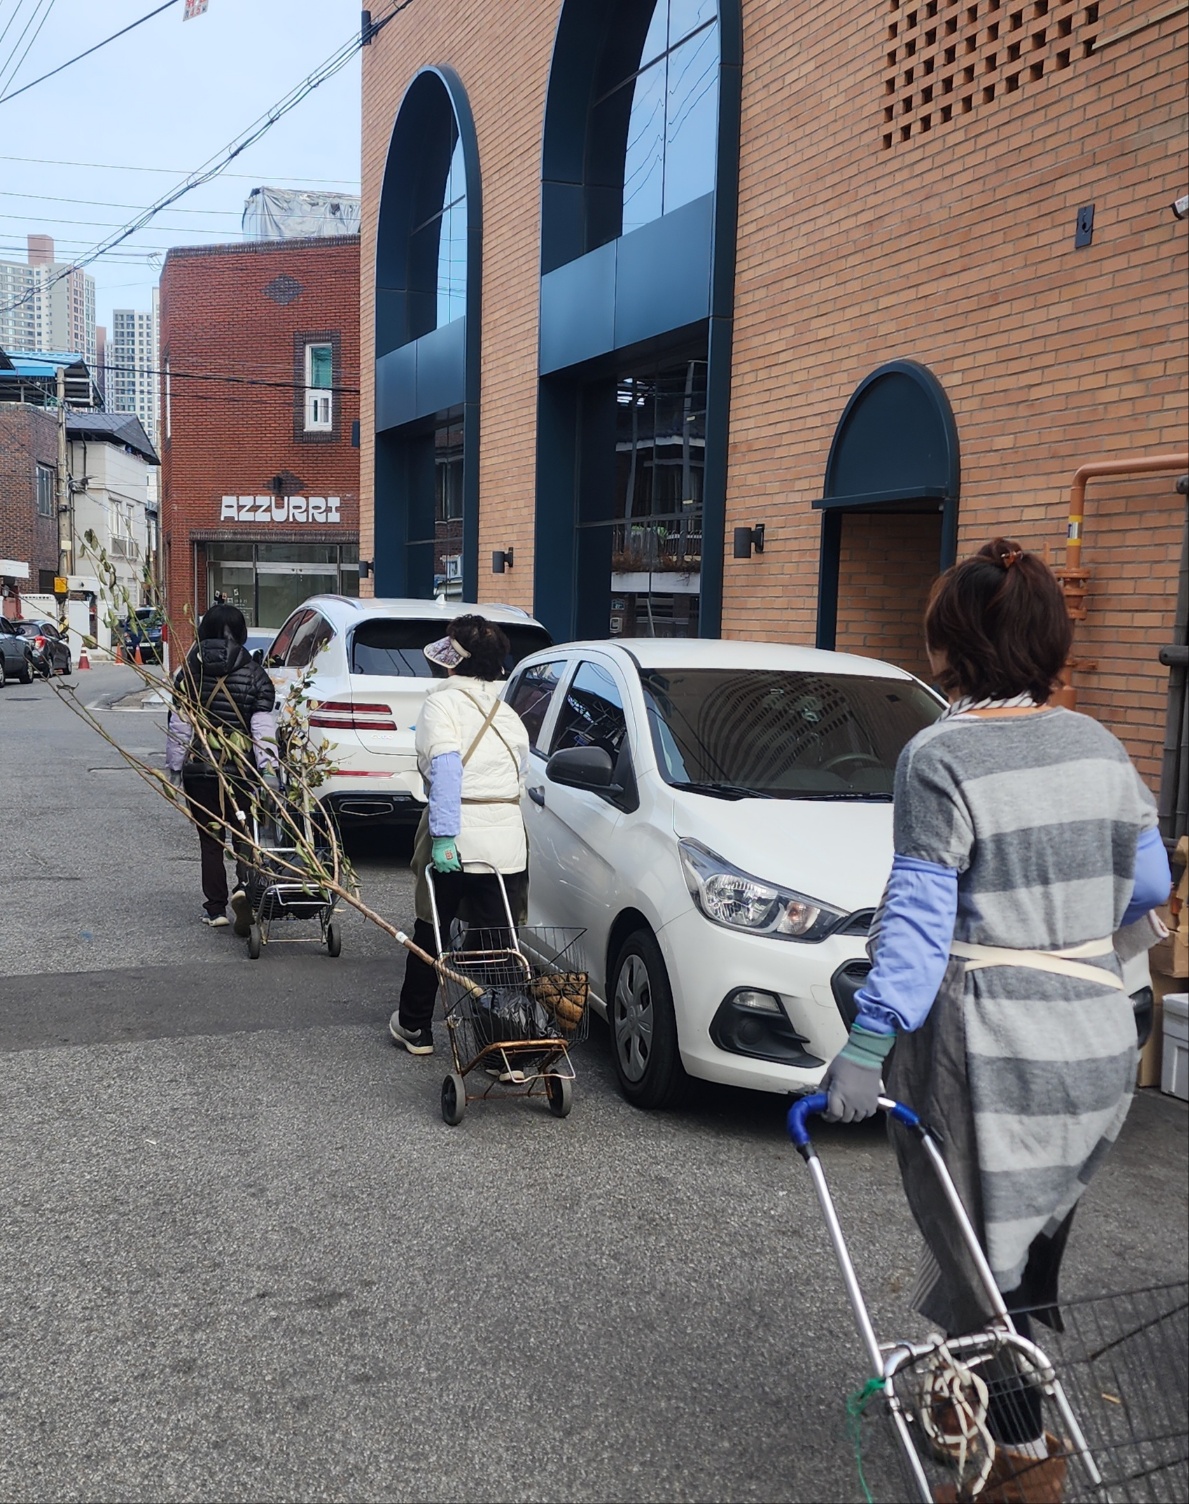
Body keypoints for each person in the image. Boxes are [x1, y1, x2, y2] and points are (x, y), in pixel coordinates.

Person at [821, 539, 1170, 1501]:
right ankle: (967, 1390)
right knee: (1025, 1234)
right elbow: (1150, 884)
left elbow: (922, 920)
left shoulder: (939, 755)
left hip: (991, 1044)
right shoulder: (1099, 744)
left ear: (948, 647)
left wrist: (865, 1044)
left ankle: (1022, 1456)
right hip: (1097, 1040)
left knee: (984, 1253)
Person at [389, 614, 530, 1055]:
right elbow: (519, 776)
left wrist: (445, 835)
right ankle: (503, 1043)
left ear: (453, 660)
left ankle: (414, 1026)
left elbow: (447, 769)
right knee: (498, 944)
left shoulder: (441, 704)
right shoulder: (508, 714)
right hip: (505, 845)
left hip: (456, 838)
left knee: (431, 930)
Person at [166, 603, 277, 931]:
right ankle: (244, 890)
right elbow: (262, 728)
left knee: (210, 840)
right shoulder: (256, 673)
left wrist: (174, 768)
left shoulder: (189, 671)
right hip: (241, 770)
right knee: (245, 835)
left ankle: (215, 909)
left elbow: (180, 726)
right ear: (240, 633)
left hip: (200, 770)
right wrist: (269, 771)